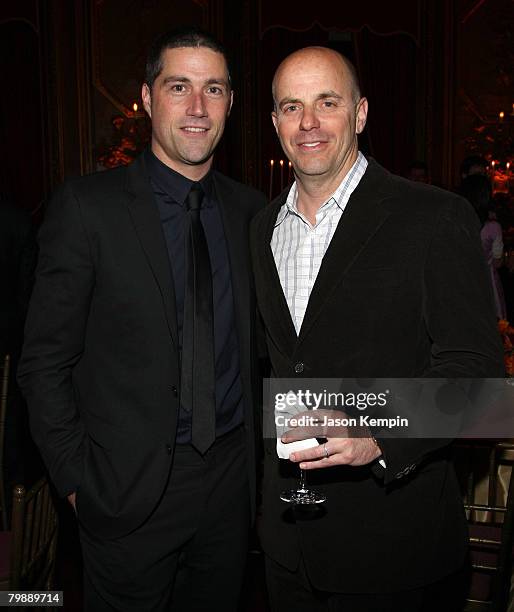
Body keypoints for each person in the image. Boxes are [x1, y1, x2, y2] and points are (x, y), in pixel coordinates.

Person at [18, 27, 265, 612]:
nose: (198, 108)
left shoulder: (254, 214)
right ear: (148, 99)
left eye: (214, 89)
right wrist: (78, 482)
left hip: (230, 488)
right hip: (124, 490)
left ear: (231, 102)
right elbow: (44, 363)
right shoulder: (86, 209)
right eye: (179, 87)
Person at [250, 46, 504, 612]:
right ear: (274, 122)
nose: (308, 122)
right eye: (291, 106)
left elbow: (481, 381)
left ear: (360, 114)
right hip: (287, 547)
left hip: (395, 550)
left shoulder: (432, 217)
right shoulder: (262, 228)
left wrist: (378, 430)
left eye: (327, 102)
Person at [460, 173, 507, 319]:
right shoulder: (493, 227)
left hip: (461, 278)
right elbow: (498, 262)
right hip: (487, 282)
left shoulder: (457, 222)